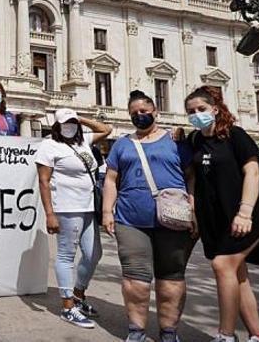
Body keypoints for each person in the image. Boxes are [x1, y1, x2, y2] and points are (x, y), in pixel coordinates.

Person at [184, 85, 259, 342]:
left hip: (244, 216)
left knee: (222, 266)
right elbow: (193, 180)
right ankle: (257, 336)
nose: (196, 114)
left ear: (215, 109)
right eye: (191, 111)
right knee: (238, 275)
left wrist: (245, 212)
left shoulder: (235, 136)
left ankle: (226, 335)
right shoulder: (194, 140)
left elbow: (252, 172)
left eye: (201, 109)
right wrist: (193, 213)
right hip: (213, 220)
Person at [102, 90, 196, 342]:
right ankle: (136, 331)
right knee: (136, 280)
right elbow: (111, 180)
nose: (139, 116)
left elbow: (191, 177)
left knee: (171, 277)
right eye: (134, 113)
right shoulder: (122, 144)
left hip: (174, 219)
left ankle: (169, 332)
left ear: (155, 111)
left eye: (143, 111)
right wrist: (107, 211)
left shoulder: (176, 141)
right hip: (130, 220)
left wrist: (193, 209)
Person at [35, 108, 113, 329]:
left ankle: (78, 295)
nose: (69, 126)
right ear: (57, 125)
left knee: (94, 253)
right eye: (65, 122)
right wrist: (50, 214)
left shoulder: (84, 141)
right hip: (66, 207)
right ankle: (68, 306)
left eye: (72, 122)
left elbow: (106, 129)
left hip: (89, 206)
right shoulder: (49, 145)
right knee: (67, 255)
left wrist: (81, 119)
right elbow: (43, 181)